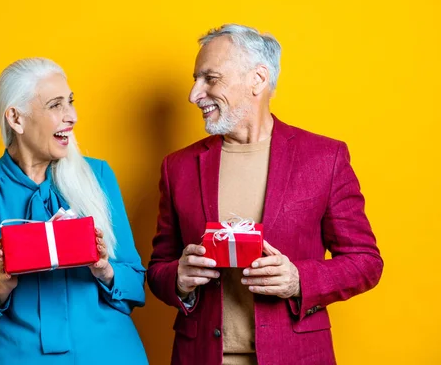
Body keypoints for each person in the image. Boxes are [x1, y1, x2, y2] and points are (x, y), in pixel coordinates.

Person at [147, 24, 383, 365]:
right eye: (195, 79)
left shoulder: (324, 158)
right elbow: (159, 268)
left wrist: (299, 280)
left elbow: (366, 262)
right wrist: (179, 279)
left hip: (295, 355)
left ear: (257, 79)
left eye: (210, 78)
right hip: (200, 356)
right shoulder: (177, 167)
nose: (194, 94)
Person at [0, 58, 148, 364]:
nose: (72, 116)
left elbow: (135, 285)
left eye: (71, 102)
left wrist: (105, 269)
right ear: (16, 118)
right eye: (55, 105)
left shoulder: (99, 176)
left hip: (111, 353)